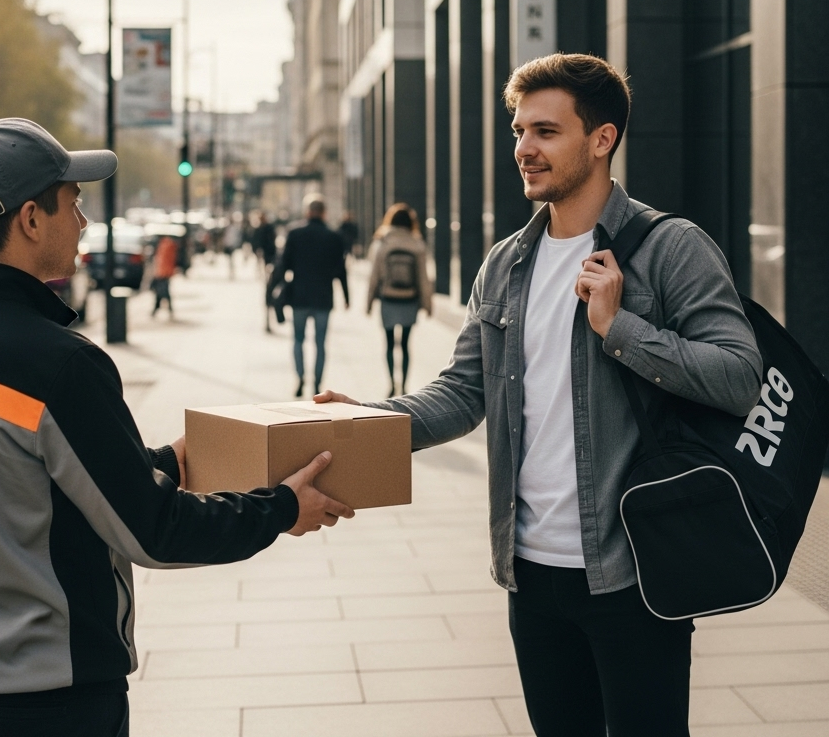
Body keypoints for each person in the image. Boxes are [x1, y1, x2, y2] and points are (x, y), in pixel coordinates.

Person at [0, 118, 354, 737]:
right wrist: (282, 508)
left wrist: (165, 462)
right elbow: (152, 533)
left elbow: (15, 483)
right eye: (73, 203)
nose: (84, 222)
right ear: (31, 219)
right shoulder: (58, 363)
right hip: (53, 699)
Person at [317, 55, 761, 736]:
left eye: (547, 131)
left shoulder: (670, 248)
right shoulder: (506, 263)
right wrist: (362, 419)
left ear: (602, 139)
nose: (524, 148)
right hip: (530, 572)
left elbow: (738, 378)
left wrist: (622, 329)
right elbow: (462, 393)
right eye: (520, 129)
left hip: (631, 570)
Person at [269, 193, 349, 398]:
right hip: (323, 297)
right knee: (321, 343)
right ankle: (317, 384)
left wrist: (273, 288)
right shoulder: (334, 237)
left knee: (298, 339)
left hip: (299, 296)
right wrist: (347, 296)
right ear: (324, 213)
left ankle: (300, 378)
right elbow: (341, 270)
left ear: (307, 212)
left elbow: (283, 264)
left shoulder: (294, 234)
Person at [366, 203, 433, 397]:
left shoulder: (382, 242)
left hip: (388, 298)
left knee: (388, 343)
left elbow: (374, 275)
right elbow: (423, 277)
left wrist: (369, 301)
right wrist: (427, 304)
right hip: (409, 300)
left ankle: (391, 383)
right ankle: (403, 384)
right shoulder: (416, 243)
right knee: (404, 344)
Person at [252, 212, 278, 332]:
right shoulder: (262, 229)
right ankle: (268, 319)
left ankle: (269, 318)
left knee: (269, 288)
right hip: (266, 260)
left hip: (269, 260)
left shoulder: (265, 229)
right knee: (268, 288)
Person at [150, 232, 178, 318]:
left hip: (163, 272)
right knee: (162, 291)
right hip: (164, 272)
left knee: (163, 291)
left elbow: (163, 260)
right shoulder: (166, 244)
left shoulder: (166, 245)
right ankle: (158, 309)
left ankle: (159, 309)